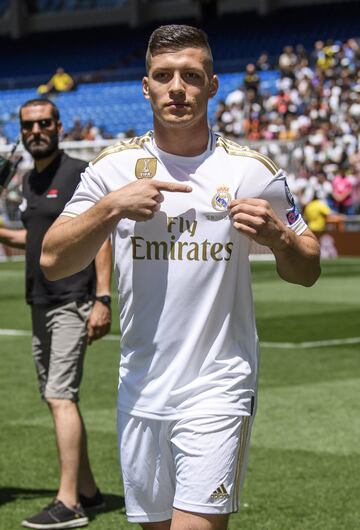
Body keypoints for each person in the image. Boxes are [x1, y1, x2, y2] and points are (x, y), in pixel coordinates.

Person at [40, 25, 321, 530]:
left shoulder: (250, 170)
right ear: (145, 86)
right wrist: (110, 209)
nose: (177, 88)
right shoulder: (113, 168)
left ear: (212, 85)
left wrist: (279, 238)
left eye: (191, 76)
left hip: (219, 386)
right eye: (163, 76)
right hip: (141, 387)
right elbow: (53, 260)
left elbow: (308, 268)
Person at [0, 98, 112, 529]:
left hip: (71, 298)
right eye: (29, 125)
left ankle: (69, 504)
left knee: (59, 396)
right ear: (22, 131)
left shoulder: (78, 174)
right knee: (57, 395)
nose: (36, 130)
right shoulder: (29, 180)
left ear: (59, 126)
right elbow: (29, 236)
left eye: (44, 123)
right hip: (40, 301)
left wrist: (102, 298)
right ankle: (88, 490)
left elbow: (101, 236)